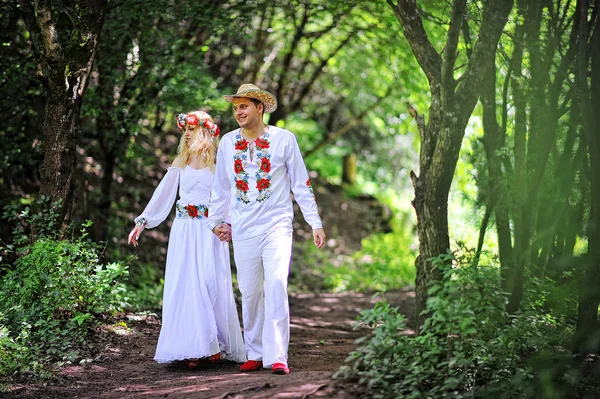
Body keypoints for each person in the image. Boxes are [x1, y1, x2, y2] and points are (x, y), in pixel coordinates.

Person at [207, 83, 326, 375]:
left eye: (244, 106)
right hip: (243, 227)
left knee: (275, 285)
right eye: (235, 108)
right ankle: (256, 352)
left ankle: (277, 355)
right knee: (249, 293)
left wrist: (315, 222)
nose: (238, 112)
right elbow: (221, 186)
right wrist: (217, 221)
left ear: (260, 108)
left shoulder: (285, 140)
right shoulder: (227, 143)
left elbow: (301, 183)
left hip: (277, 226)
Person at [128, 110, 246, 368]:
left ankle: (214, 343)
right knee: (187, 284)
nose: (187, 134)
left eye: (192, 129)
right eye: (186, 130)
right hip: (184, 230)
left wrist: (228, 224)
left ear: (204, 132)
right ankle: (193, 347)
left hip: (209, 232)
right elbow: (163, 194)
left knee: (209, 283)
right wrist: (142, 222)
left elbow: (227, 198)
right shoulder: (180, 164)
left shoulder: (218, 165)